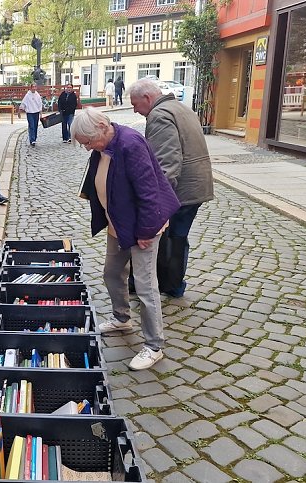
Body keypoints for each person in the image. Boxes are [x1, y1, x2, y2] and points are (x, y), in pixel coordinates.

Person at [71, 109, 180, 371]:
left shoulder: (130, 144)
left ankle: (154, 346)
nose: (87, 148)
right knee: (112, 273)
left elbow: (149, 191)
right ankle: (122, 318)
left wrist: (146, 231)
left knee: (145, 286)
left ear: (101, 126)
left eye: (88, 141)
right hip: (118, 224)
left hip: (143, 227)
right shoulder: (103, 146)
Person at [128, 78, 214, 297]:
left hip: (181, 191)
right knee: (178, 236)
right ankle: (173, 284)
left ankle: (167, 284)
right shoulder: (179, 108)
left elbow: (166, 163)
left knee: (168, 238)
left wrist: (156, 201)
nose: (135, 110)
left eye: (135, 104)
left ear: (147, 98)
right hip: (196, 186)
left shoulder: (159, 115)